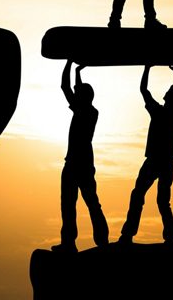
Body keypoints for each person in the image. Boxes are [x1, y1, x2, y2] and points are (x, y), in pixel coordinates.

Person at [118, 65, 173, 244]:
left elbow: (144, 90)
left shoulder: (164, 112)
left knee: (145, 196)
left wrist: (148, 67)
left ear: (168, 98)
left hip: (157, 161)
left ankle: (129, 235)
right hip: (163, 162)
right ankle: (167, 236)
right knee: (158, 200)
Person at [53, 60, 109, 252]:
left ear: (83, 97)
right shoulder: (91, 110)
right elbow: (76, 89)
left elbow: (64, 86)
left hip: (76, 163)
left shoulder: (83, 110)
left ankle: (71, 243)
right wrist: (78, 71)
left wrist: (69, 62)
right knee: (88, 202)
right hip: (83, 162)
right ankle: (100, 240)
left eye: (78, 94)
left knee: (72, 204)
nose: (75, 95)